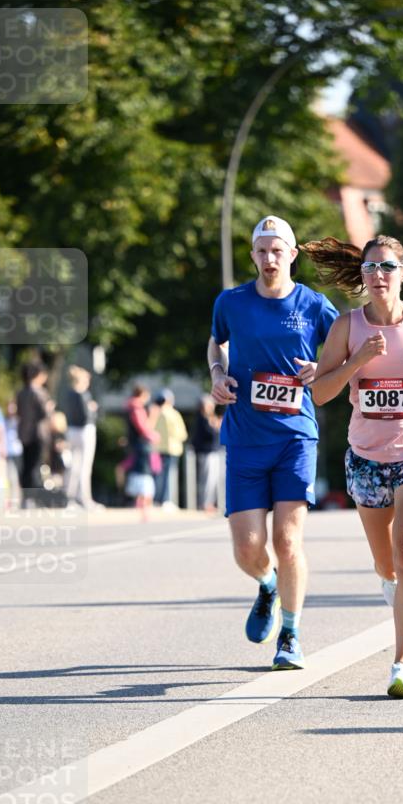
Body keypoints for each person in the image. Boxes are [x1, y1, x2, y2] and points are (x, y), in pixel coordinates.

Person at [306, 234, 403, 699]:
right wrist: (358, 360)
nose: (378, 275)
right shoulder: (346, 327)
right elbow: (320, 393)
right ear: (363, 275)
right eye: (371, 268)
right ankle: (391, 585)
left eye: (388, 267)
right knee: (385, 562)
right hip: (367, 458)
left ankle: (402, 665)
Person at [208, 215, 338, 670]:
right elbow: (216, 343)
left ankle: (291, 634)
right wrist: (218, 375)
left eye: (277, 251)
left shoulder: (314, 304)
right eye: (261, 251)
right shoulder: (232, 302)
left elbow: (340, 350)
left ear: (292, 255)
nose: (269, 259)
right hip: (244, 438)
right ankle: (267, 585)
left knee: (287, 539)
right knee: (247, 547)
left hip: (295, 437)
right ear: (252, 255)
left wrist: (321, 369)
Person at [16, 361, 53, 506]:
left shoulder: (21, 392)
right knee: (35, 466)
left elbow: (19, 413)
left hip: (24, 433)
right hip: (37, 434)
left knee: (26, 466)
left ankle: (25, 497)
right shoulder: (39, 392)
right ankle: (34, 497)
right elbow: (44, 413)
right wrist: (50, 408)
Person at [63, 365, 99, 509]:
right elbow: (86, 416)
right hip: (84, 431)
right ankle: (84, 498)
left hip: (71, 431)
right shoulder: (83, 395)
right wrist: (92, 409)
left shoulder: (69, 394)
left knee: (73, 466)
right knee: (84, 466)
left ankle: (69, 498)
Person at [126, 384, 160, 521]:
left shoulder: (132, 407)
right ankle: (143, 507)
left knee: (141, 473)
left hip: (138, 445)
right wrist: (154, 434)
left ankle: (143, 506)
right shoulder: (137, 408)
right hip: (141, 446)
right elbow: (143, 428)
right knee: (144, 473)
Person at [153, 389, 188, 509]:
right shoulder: (173, 413)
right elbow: (182, 434)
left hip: (157, 448)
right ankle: (166, 500)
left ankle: (157, 500)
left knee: (158, 475)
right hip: (172, 448)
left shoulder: (155, 412)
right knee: (168, 475)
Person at [191, 393, 221, 512]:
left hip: (212, 452)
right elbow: (211, 434)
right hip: (207, 452)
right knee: (207, 479)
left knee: (212, 480)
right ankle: (205, 503)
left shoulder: (208, 418)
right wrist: (216, 426)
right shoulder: (202, 419)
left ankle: (209, 502)